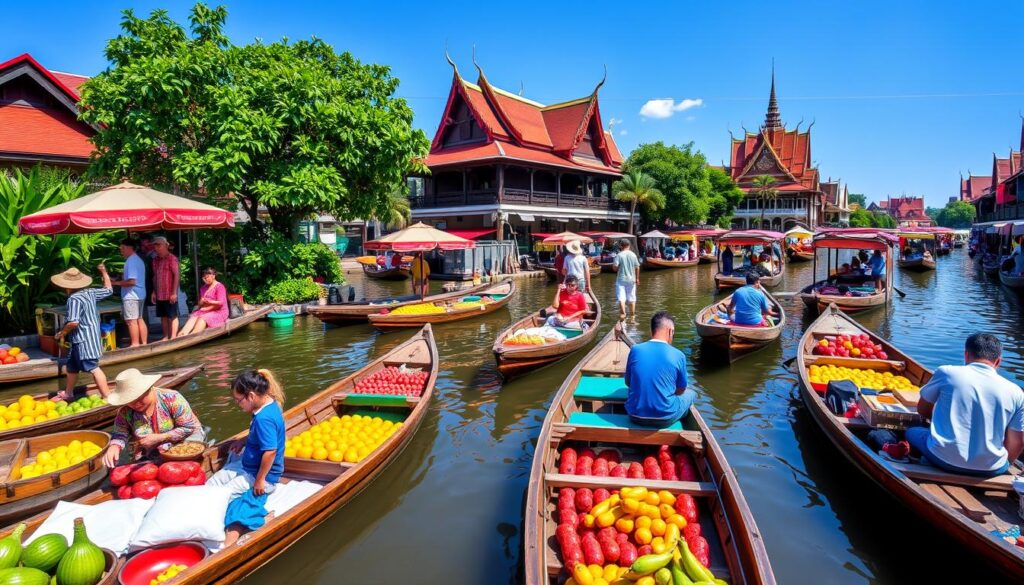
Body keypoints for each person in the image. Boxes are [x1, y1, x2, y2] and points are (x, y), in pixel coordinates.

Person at [908, 334, 1024, 477]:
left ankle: (915, 459)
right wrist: (1005, 465)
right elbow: (1018, 442)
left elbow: (922, 410)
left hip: (942, 459)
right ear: (998, 361)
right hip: (992, 469)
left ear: (966, 355)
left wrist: (942, 420)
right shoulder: (1016, 392)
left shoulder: (947, 373)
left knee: (912, 431)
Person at [209, 369, 286, 547]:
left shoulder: (264, 418)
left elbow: (270, 451)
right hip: (247, 466)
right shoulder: (264, 406)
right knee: (212, 485)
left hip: (258, 474)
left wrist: (260, 480)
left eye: (238, 400)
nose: (238, 405)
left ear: (250, 396)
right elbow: (258, 435)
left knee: (221, 498)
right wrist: (244, 441)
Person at [101, 368, 205, 467]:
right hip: (154, 447)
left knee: (185, 458)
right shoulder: (125, 413)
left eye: (140, 397)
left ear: (149, 388)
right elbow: (119, 434)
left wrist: (161, 437)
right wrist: (115, 446)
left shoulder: (172, 398)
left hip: (187, 437)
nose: (136, 403)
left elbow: (188, 428)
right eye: (130, 400)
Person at [52, 266, 113, 401]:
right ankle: (69, 393)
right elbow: (109, 289)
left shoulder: (74, 299)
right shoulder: (90, 292)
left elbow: (73, 322)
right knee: (72, 367)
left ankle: (107, 396)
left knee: (93, 368)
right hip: (85, 339)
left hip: (84, 340)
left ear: (67, 287)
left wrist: (62, 333)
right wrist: (104, 271)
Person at [624, 312, 693, 427]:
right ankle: (681, 421)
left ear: (652, 331)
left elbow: (628, 382)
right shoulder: (679, 355)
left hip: (634, 415)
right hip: (664, 418)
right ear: (670, 331)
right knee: (691, 394)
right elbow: (681, 390)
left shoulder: (635, 349)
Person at [110, 238, 148, 347]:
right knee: (139, 318)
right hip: (140, 294)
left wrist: (115, 283)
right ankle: (144, 343)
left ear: (129, 248)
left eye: (122, 248)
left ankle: (135, 344)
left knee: (131, 321)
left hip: (132, 295)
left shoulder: (131, 261)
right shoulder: (138, 260)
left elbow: (131, 281)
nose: (121, 251)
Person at [178, 267, 229, 337]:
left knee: (203, 318)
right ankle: (182, 334)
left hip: (219, 311)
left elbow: (220, 303)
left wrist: (208, 306)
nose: (205, 279)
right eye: (204, 278)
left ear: (213, 276)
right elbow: (200, 305)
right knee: (194, 316)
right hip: (205, 310)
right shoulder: (203, 288)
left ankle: (193, 335)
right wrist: (201, 302)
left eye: (207, 277)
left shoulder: (220, 287)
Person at [150, 236, 180, 340]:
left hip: (169, 293)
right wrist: (154, 291)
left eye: (159, 245)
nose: (156, 247)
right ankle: (166, 336)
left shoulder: (172, 258)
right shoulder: (155, 260)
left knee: (172, 315)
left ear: (166, 245)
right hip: (159, 293)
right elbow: (155, 277)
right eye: (155, 245)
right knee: (163, 316)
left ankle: (174, 336)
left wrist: (174, 292)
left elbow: (176, 275)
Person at [614, 239, 641, 321]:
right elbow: (637, 266)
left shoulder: (619, 255)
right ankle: (632, 316)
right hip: (632, 280)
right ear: (629, 245)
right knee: (632, 298)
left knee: (622, 298)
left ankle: (623, 314)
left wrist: (617, 267)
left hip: (621, 280)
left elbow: (615, 268)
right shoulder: (633, 255)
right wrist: (637, 278)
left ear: (621, 246)